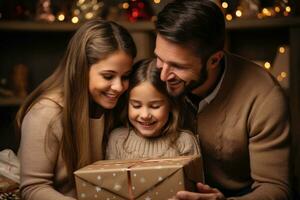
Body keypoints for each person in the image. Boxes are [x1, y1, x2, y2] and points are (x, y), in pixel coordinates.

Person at [154, 0, 291, 199]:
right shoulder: (153, 77)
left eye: (178, 66)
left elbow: (277, 189)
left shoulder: (264, 97)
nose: (163, 76)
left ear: (214, 60)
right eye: (159, 58)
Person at [15, 18, 137, 200]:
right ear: (81, 69)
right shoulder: (45, 113)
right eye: (108, 76)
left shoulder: (112, 104)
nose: (119, 87)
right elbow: (33, 188)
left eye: (125, 76)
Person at [106, 59, 200, 160]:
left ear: (171, 105)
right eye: (136, 105)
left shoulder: (184, 142)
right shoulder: (117, 140)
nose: (145, 115)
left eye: (155, 106)